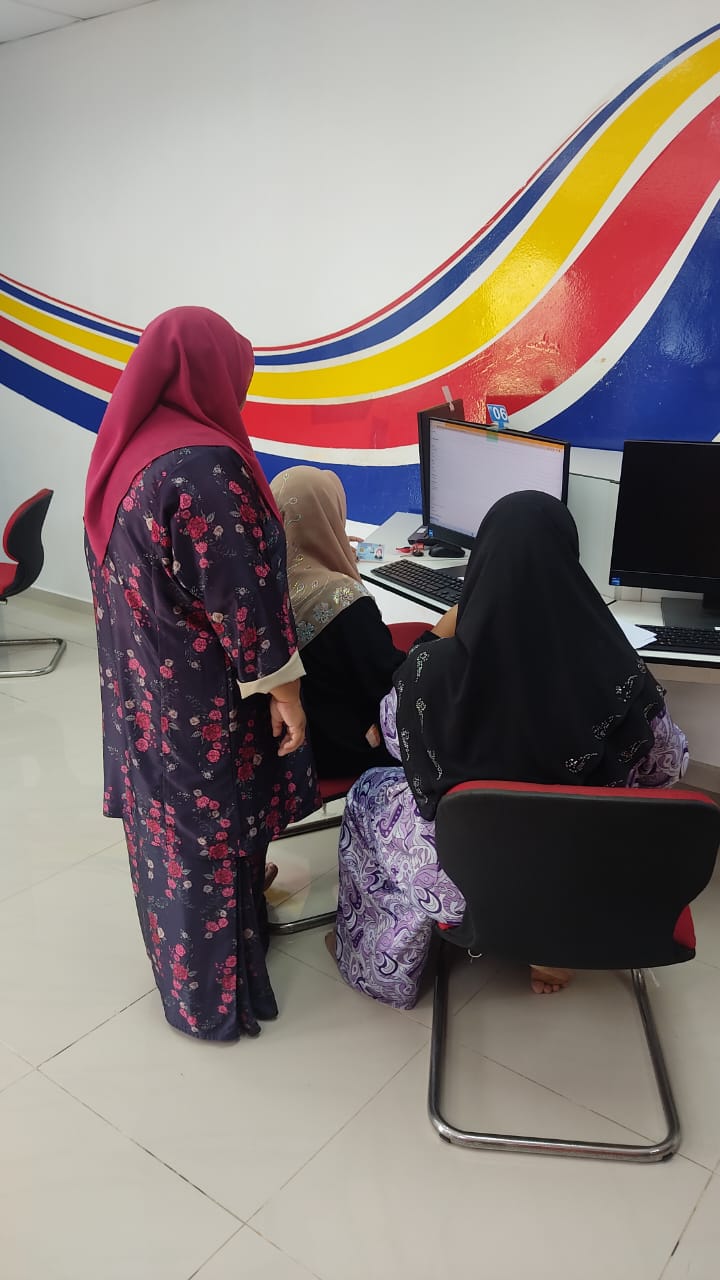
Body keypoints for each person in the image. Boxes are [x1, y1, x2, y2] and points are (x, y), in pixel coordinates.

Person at [330, 491, 689, 1008]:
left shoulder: (431, 674)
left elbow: (393, 741)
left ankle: (381, 969)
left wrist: (436, 636)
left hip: (467, 880)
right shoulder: (621, 675)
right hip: (592, 879)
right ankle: (548, 943)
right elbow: (667, 768)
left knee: (370, 792)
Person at [84, 306, 318, 1041]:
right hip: (202, 704)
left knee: (170, 839)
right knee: (212, 839)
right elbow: (246, 601)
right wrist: (286, 693)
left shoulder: (128, 450)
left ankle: (187, 979)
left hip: (143, 693)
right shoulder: (206, 467)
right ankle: (214, 1004)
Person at [270, 465, 407, 776]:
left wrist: (330, 546)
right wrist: (438, 635)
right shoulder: (344, 600)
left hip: (287, 743)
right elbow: (390, 685)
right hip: (346, 749)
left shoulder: (262, 585)